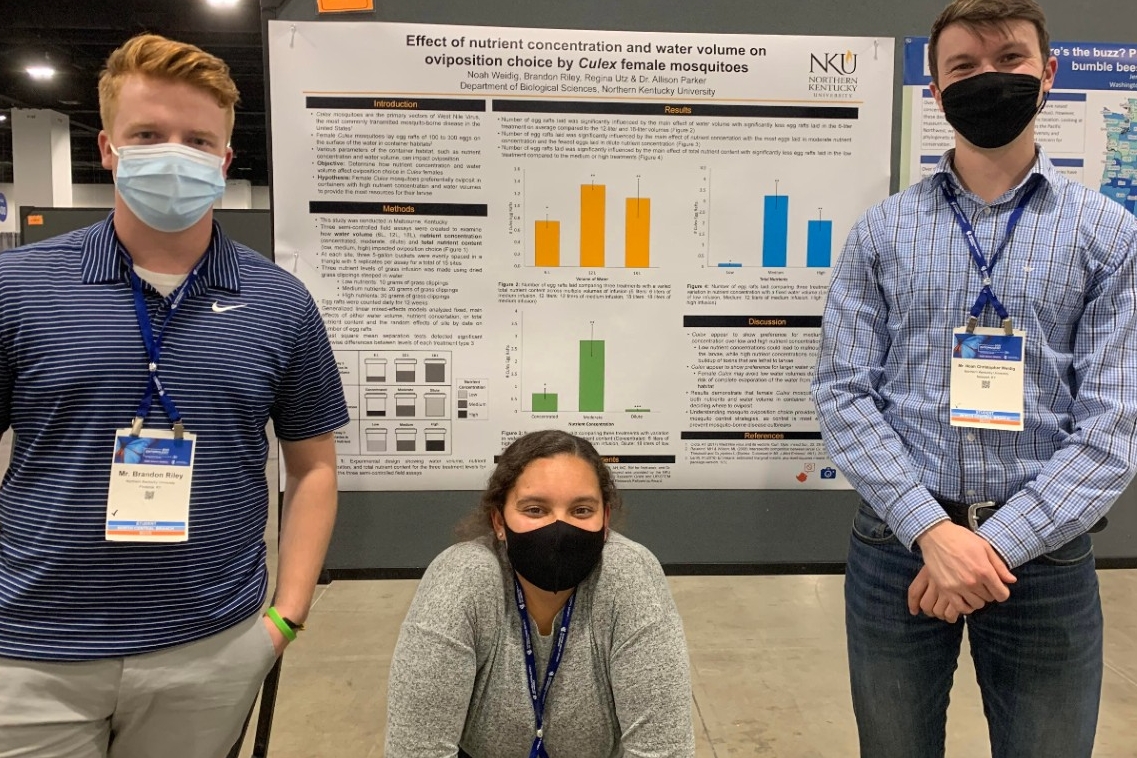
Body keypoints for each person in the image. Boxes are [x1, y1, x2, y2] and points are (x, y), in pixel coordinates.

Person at [0, 34, 349, 757]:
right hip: (31, 648)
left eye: (198, 140)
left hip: (210, 645)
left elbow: (313, 466)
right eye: (148, 135)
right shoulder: (20, 289)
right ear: (108, 147)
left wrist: (285, 617)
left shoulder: (280, 303)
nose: (173, 154)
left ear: (225, 161)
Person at [811, 1, 1137, 756]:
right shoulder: (882, 231)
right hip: (898, 547)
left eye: (1010, 59)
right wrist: (931, 531)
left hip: (1045, 558)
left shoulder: (1109, 236)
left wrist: (986, 548)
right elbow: (842, 392)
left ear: (1047, 74)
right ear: (934, 87)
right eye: (963, 66)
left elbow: (1113, 424)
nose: (988, 78)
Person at [385, 430, 695, 757]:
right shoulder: (461, 579)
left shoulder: (630, 578)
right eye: (535, 510)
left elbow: (664, 749)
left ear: (605, 520)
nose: (558, 529)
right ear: (499, 521)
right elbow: (417, 749)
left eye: (581, 510)